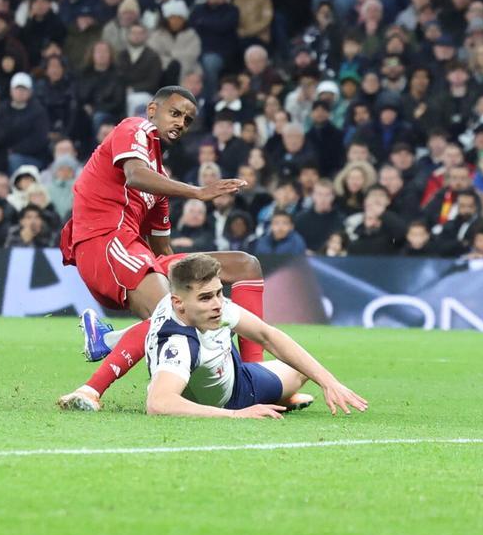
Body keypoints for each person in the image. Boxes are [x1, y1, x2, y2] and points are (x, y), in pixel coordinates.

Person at [56, 86, 266, 413]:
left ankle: (258, 375)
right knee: (173, 311)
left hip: (134, 252)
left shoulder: (160, 179)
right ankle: (90, 390)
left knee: (244, 264)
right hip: (103, 242)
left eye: (188, 119)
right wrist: (198, 192)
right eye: (175, 113)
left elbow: (162, 249)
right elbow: (134, 175)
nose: (181, 122)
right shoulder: (133, 128)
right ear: (152, 110)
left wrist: (189, 283)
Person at [143, 254, 366, 418]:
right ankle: (274, 399)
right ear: (178, 303)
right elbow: (158, 403)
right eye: (205, 297)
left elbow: (267, 336)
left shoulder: (205, 306)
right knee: (298, 373)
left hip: (233, 368)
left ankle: (281, 397)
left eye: (220, 292)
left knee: (305, 369)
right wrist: (238, 415)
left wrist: (329, 383)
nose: (218, 304)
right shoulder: (179, 344)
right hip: (236, 396)